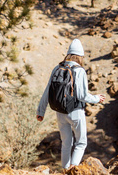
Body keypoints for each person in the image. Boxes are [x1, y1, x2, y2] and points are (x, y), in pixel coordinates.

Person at [36, 39, 105, 171]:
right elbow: (82, 96)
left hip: (60, 112)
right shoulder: (79, 71)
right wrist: (96, 98)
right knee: (81, 142)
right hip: (75, 112)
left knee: (66, 143)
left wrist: (41, 111)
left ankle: (65, 169)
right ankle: (73, 169)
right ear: (80, 56)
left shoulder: (57, 68)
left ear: (68, 54)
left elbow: (47, 91)